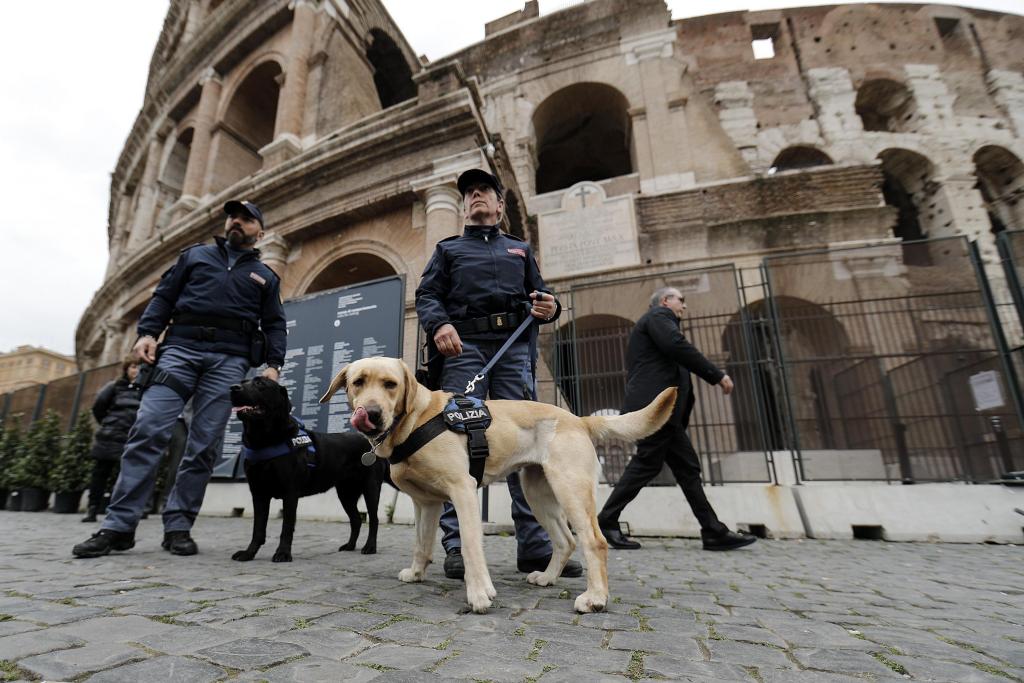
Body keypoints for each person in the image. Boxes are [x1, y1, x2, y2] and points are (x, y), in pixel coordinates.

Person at [72, 200, 286, 558]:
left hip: (230, 361)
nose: (237, 221)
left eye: (247, 219)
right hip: (180, 352)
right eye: (233, 216)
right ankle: (119, 526)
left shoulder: (266, 277)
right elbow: (164, 296)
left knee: (204, 444)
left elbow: (275, 324)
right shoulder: (195, 256)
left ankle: (178, 526)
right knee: (148, 430)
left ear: (259, 232)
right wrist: (146, 334)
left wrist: (273, 365)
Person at [416, 168, 583, 580]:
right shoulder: (448, 249)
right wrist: (439, 326)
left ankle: (535, 546)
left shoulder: (520, 250)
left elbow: (543, 296)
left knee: (524, 441)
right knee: (458, 439)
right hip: (464, 349)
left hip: (511, 351)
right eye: (469, 193)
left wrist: (552, 308)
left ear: (499, 204)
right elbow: (427, 295)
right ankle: (456, 544)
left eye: (482, 191)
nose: (475, 197)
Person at [597, 287, 757, 552]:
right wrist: (715, 374)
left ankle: (713, 531)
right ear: (664, 301)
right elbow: (676, 346)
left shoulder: (659, 323)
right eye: (680, 300)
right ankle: (607, 519)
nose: (684, 306)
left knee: (687, 468)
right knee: (648, 462)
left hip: (665, 412)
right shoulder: (659, 316)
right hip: (656, 408)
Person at [81, 355, 142, 523]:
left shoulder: (146, 389)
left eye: (140, 367)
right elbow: (98, 407)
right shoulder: (114, 387)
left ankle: (123, 511)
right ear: (126, 369)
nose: (136, 371)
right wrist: (109, 424)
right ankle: (92, 509)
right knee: (100, 473)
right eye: (133, 367)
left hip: (133, 436)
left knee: (129, 475)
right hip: (111, 435)